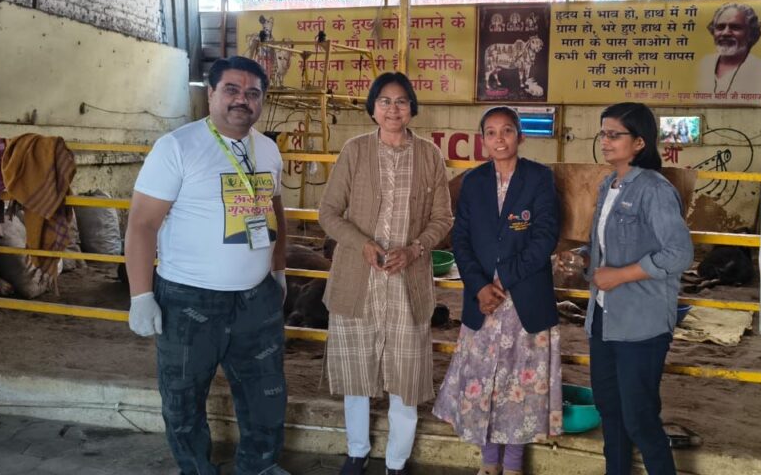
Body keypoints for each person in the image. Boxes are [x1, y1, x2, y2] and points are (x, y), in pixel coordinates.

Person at [125, 56, 289, 475]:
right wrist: (141, 295)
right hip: (189, 300)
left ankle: (259, 467)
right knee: (183, 397)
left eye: (253, 93)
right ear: (211, 93)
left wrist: (278, 270)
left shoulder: (268, 149)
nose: (242, 100)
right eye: (231, 89)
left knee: (266, 394)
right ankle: (196, 469)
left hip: (256, 299)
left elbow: (275, 212)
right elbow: (142, 224)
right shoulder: (177, 147)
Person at [318, 72, 453, 475]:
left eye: (401, 101)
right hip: (357, 283)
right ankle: (357, 451)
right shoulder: (355, 151)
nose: (393, 109)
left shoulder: (429, 155)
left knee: (405, 379)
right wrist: (361, 243)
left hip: (407, 285)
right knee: (357, 375)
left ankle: (397, 461)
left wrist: (415, 249)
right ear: (373, 109)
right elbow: (328, 213)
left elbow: (443, 218)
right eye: (385, 101)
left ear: (412, 107)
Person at [555, 103, 693, 475]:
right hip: (603, 319)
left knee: (640, 419)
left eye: (614, 135)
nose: (605, 141)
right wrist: (582, 258)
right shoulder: (609, 185)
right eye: (603, 133)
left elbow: (679, 253)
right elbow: (603, 247)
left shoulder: (655, 190)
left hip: (641, 324)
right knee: (610, 412)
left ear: (639, 142)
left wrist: (620, 275)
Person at [433, 107, 563, 475]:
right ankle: (489, 463)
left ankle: (514, 465)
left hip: (524, 300)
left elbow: (545, 237)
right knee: (484, 382)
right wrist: (478, 286)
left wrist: (502, 280)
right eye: (491, 132)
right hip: (484, 303)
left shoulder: (539, 178)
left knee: (521, 384)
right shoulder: (473, 182)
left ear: (521, 136)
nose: (499, 138)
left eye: (507, 130)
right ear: (483, 140)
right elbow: (461, 239)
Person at [695, 3, 761, 98]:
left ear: (750, 33)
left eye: (735, 27)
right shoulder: (704, 64)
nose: (725, 33)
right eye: (720, 27)